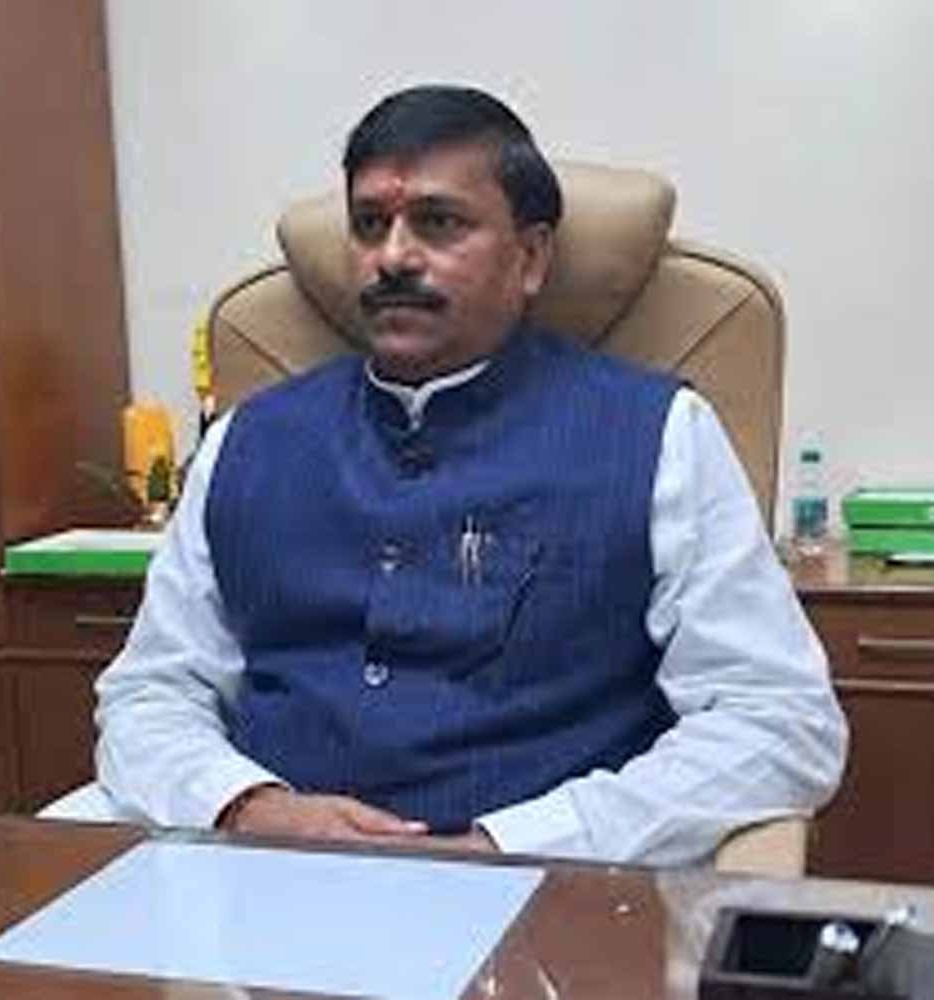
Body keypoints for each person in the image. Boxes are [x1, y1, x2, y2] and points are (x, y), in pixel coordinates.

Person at [95, 85, 846, 864]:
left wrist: (510, 843)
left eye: (438, 222)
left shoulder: (661, 436)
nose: (393, 256)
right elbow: (150, 693)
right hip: (256, 874)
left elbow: (778, 721)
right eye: (369, 224)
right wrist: (245, 806)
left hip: (547, 892)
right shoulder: (248, 441)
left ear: (531, 257)